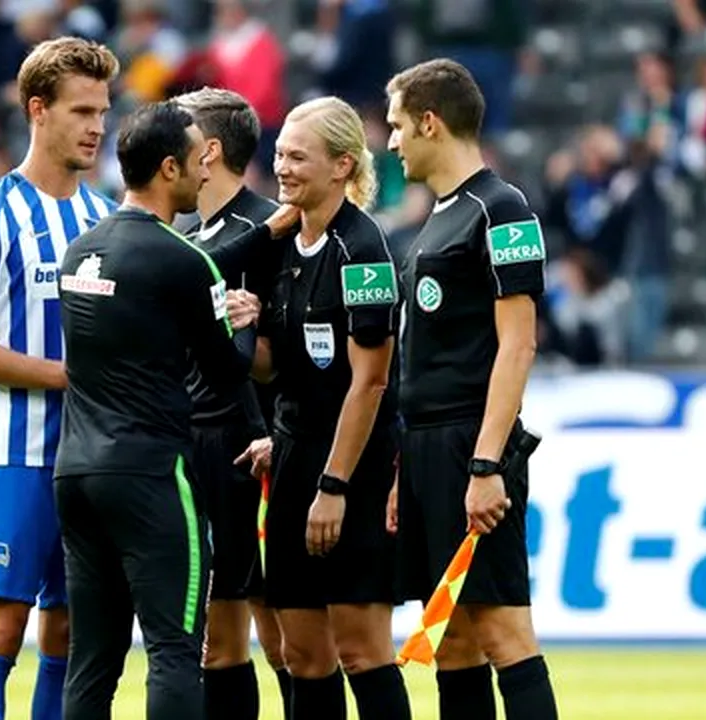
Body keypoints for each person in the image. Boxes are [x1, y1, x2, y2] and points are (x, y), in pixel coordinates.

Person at [53, 99, 284, 720]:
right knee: (175, 652)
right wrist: (243, 320)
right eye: (192, 162)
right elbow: (229, 369)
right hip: (151, 477)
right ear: (166, 169)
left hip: (75, 472)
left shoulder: (80, 251)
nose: (204, 174)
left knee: (92, 660)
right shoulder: (182, 259)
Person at [0, 37, 119, 720]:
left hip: (93, 462)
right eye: (81, 110)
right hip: (14, 457)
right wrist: (65, 377)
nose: (97, 125)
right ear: (37, 110)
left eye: (102, 110)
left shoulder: (106, 218)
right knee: (2, 629)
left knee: (70, 632)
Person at [385, 58, 559, 720]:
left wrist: (487, 464)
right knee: (450, 641)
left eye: (400, 125)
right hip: (428, 449)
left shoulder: (502, 207)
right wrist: (406, 466)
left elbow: (518, 344)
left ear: (431, 121)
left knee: (501, 631)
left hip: (472, 443)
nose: (393, 141)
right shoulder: (437, 218)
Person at [234, 96, 410, 720]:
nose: (281, 166)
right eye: (279, 152)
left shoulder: (364, 251)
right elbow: (278, 369)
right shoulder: (279, 246)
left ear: (341, 166)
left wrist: (333, 485)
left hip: (354, 467)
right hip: (292, 456)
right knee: (300, 652)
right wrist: (247, 333)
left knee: (362, 649)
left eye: (297, 156)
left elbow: (370, 383)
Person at [171, 86, 287, 720]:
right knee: (218, 643)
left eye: (181, 136)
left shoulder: (267, 229)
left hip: (250, 446)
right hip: (192, 446)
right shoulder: (188, 230)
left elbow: (282, 354)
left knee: (282, 640)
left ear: (207, 152)